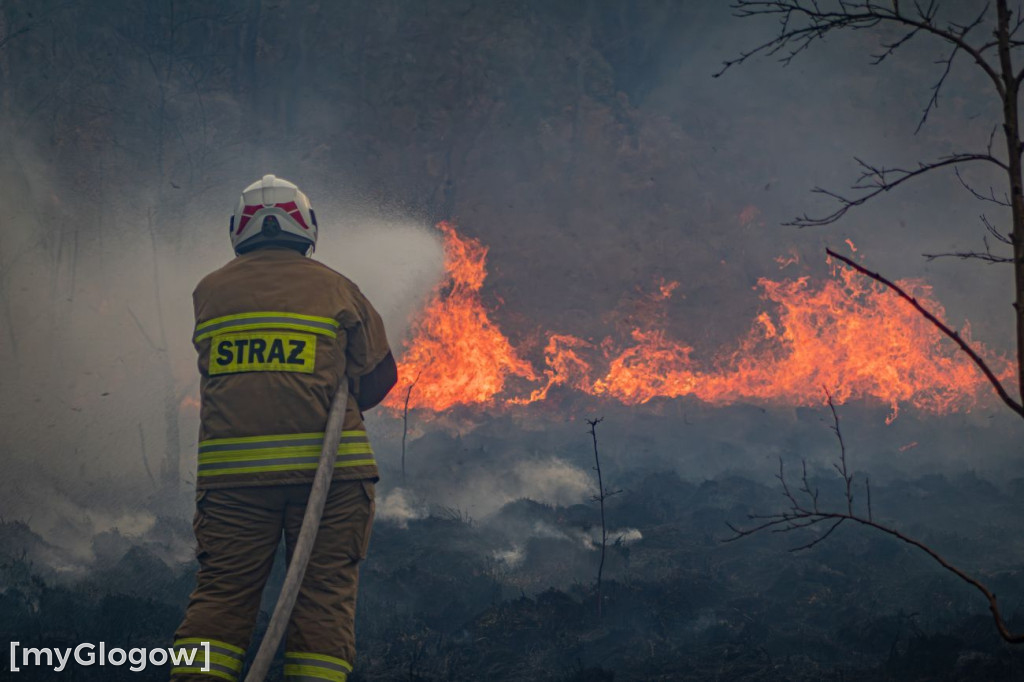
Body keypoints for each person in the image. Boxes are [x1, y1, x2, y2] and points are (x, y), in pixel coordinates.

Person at [171, 174, 397, 682]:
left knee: (220, 598)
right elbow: (381, 375)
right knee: (322, 603)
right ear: (306, 227)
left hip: (232, 487)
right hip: (331, 480)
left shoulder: (208, 291)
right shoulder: (337, 287)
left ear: (239, 229)